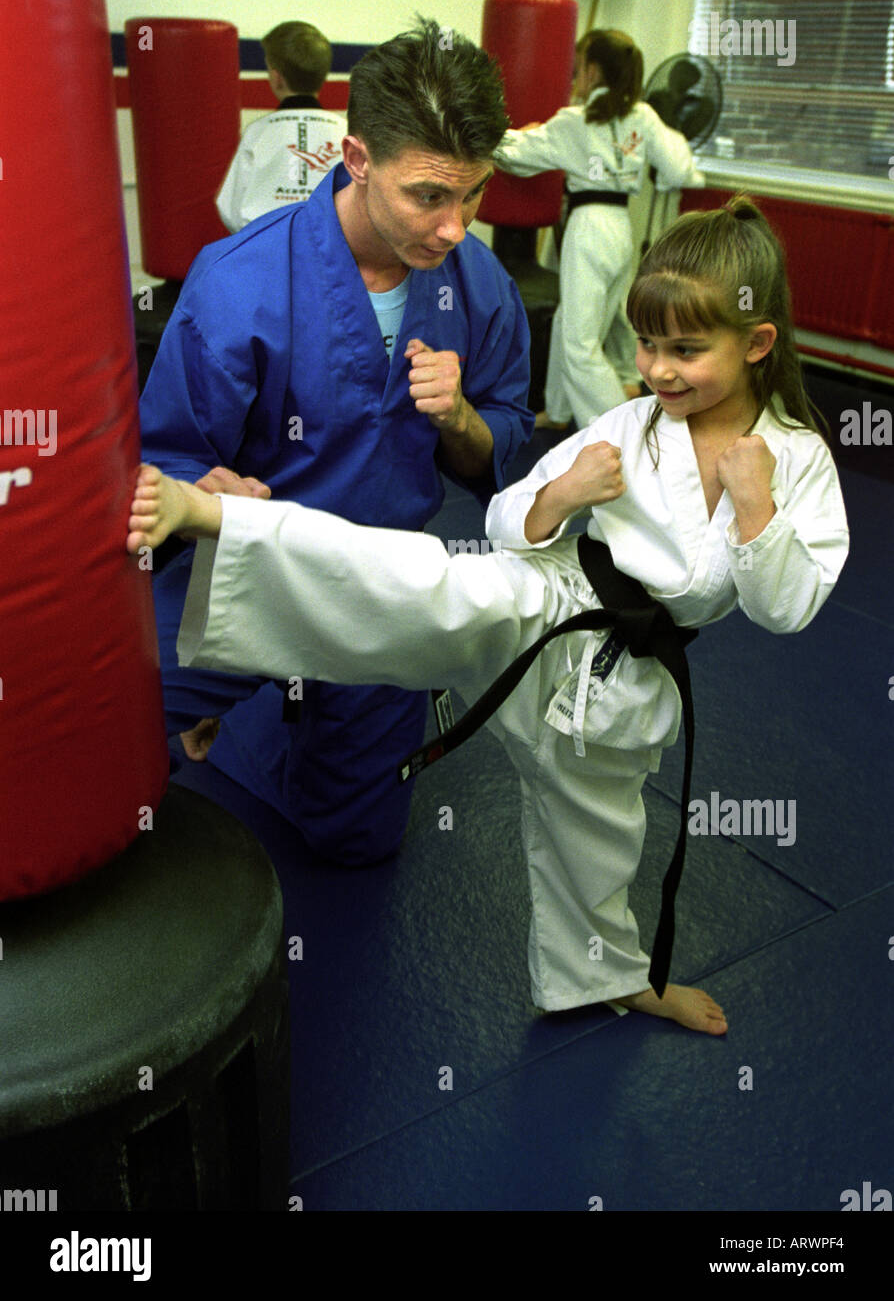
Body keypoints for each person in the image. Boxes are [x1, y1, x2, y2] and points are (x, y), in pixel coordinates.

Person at [129, 199, 849, 1033]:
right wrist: (561, 492)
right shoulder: (633, 422)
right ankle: (217, 518)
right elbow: (504, 516)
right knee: (414, 578)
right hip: (550, 597)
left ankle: (611, 977)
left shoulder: (794, 459)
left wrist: (757, 511)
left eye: (686, 350)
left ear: (757, 344)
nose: (656, 370)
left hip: (624, 676)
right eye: (647, 345)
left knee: (599, 835)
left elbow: (788, 609)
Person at [139, 18, 534, 867]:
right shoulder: (241, 280)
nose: (454, 226)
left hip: (380, 585)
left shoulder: (481, 284)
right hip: (246, 569)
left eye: (473, 194)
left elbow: (506, 440)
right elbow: (164, 458)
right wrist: (206, 488)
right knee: (108, 723)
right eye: (428, 195)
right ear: (355, 160)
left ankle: (275, 722)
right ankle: (243, 704)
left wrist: (461, 418)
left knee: (353, 841)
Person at [493, 28, 702, 431]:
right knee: (575, 325)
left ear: (592, 69)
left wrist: (487, 134)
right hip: (621, 228)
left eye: (580, 65)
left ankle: (624, 433)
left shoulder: (576, 121)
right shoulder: (642, 116)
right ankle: (558, 410)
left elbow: (516, 155)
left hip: (588, 228)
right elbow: (679, 169)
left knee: (580, 344)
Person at [216, 21, 347, 232]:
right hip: (334, 254)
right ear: (323, 77)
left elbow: (230, 208)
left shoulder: (258, 132)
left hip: (267, 254)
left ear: (276, 78)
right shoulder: (347, 132)